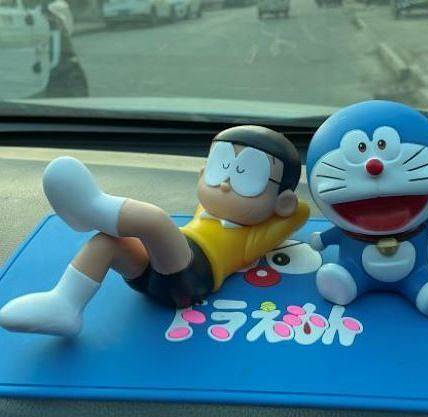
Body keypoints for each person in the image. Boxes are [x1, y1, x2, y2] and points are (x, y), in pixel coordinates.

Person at [0, 125, 310, 336]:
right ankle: (64, 303)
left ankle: (92, 209)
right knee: (108, 242)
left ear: (281, 202)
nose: (225, 184)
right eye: (221, 167)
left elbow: (300, 212)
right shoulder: (208, 208)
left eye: (247, 176)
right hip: (158, 270)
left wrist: (283, 206)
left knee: (155, 221)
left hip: (194, 279)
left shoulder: (252, 237)